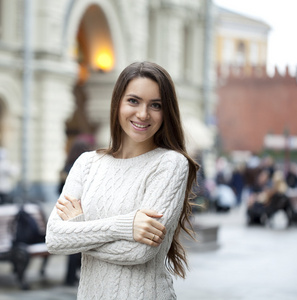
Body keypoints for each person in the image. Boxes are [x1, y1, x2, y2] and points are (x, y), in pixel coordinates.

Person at [46, 61, 199, 299]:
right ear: (118, 103)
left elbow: (138, 252)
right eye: (133, 101)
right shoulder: (87, 163)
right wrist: (126, 226)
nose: (143, 114)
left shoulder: (170, 164)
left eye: (155, 105)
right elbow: (55, 238)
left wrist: (78, 230)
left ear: (166, 111)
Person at [58, 135, 95, 286]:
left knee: (73, 245)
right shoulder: (83, 169)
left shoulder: (66, 167)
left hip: (65, 209)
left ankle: (70, 276)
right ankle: (72, 276)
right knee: (78, 245)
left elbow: (59, 190)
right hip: (79, 210)